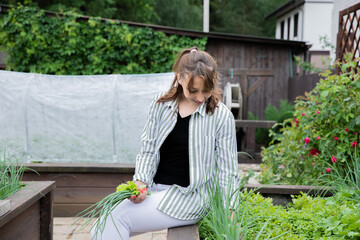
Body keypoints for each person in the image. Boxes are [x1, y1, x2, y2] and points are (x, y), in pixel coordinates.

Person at [92, 46, 240, 240]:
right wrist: (140, 182)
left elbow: (227, 171)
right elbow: (149, 149)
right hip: (156, 190)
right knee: (99, 227)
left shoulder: (220, 116)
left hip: (191, 198)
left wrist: (231, 211)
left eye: (206, 91)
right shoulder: (161, 106)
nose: (200, 98)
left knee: (114, 220)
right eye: (193, 90)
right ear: (180, 78)